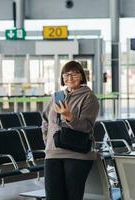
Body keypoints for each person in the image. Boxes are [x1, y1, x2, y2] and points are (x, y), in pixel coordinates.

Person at [42, 61, 99, 200]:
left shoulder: (89, 97)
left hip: (77, 155)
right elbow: (45, 120)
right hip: (53, 154)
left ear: (81, 76)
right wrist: (48, 141)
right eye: (66, 74)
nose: (70, 77)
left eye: (74, 73)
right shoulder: (57, 97)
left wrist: (68, 116)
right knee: (53, 196)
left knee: (72, 197)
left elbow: (86, 126)